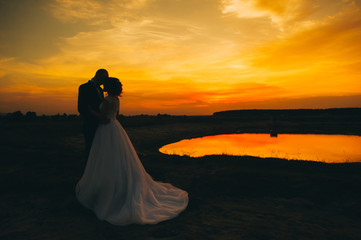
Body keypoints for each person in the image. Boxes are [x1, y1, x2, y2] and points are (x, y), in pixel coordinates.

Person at [75, 77, 188, 225]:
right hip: (115, 127)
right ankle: (118, 181)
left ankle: (110, 187)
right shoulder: (116, 100)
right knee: (118, 157)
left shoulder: (108, 100)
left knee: (106, 157)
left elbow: (102, 117)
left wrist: (90, 110)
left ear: (108, 87)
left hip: (106, 129)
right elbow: (116, 115)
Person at [77, 69, 109, 160]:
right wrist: (96, 116)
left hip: (100, 124)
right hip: (90, 123)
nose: (105, 81)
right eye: (104, 78)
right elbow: (81, 108)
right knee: (90, 148)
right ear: (98, 75)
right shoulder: (84, 87)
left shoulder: (100, 89)